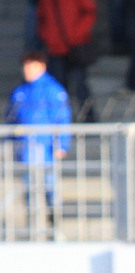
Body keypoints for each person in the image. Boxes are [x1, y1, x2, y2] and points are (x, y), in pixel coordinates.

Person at [6, 51, 72, 235]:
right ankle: (32, 228)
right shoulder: (20, 92)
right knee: (29, 191)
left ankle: (53, 226)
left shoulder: (53, 90)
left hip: (46, 150)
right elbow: (11, 118)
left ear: (41, 66)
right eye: (25, 66)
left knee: (50, 188)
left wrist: (62, 145)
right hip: (25, 151)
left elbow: (62, 119)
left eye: (31, 66)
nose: (26, 70)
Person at [36, 0, 97, 121]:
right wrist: (48, 37)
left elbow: (89, 12)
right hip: (55, 48)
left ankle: (88, 116)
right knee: (59, 86)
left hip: (76, 46)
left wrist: (76, 35)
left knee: (80, 84)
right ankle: (62, 117)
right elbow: (41, 18)